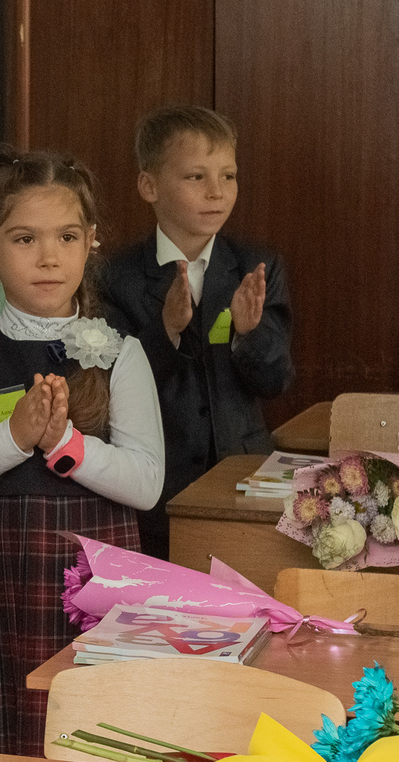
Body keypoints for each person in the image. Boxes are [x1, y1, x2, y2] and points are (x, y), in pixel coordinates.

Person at [0, 151, 163, 754]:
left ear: (92, 244)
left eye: (67, 237)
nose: (49, 257)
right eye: (24, 238)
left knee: (84, 735)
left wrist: (64, 445)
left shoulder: (118, 353)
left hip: (90, 570)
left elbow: (147, 482)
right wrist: (13, 438)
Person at [102, 105, 294, 559]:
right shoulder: (116, 277)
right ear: (150, 186)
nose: (216, 192)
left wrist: (247, 334)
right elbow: (109, 394)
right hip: (154, 493)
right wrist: (165, 329)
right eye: (195, 177)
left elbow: (277, 379)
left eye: (228, 176)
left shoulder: (256, 265)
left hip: (245, 483)